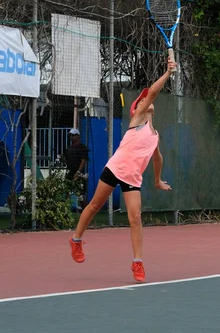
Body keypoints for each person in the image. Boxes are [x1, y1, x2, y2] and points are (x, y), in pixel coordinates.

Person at [69, 57, 175, 283]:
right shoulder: (137, 119)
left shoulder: (155, 136)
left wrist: (157, 181)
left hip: (133, 179)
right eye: (144, 98)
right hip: (115, 168)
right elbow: (154, 93)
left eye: (147, 97)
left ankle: (138, 263)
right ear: (138, 107)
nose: (147, 97)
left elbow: (158, 158)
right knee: (95, 205)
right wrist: (167, 73)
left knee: (135, 217)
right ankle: (76, 240)